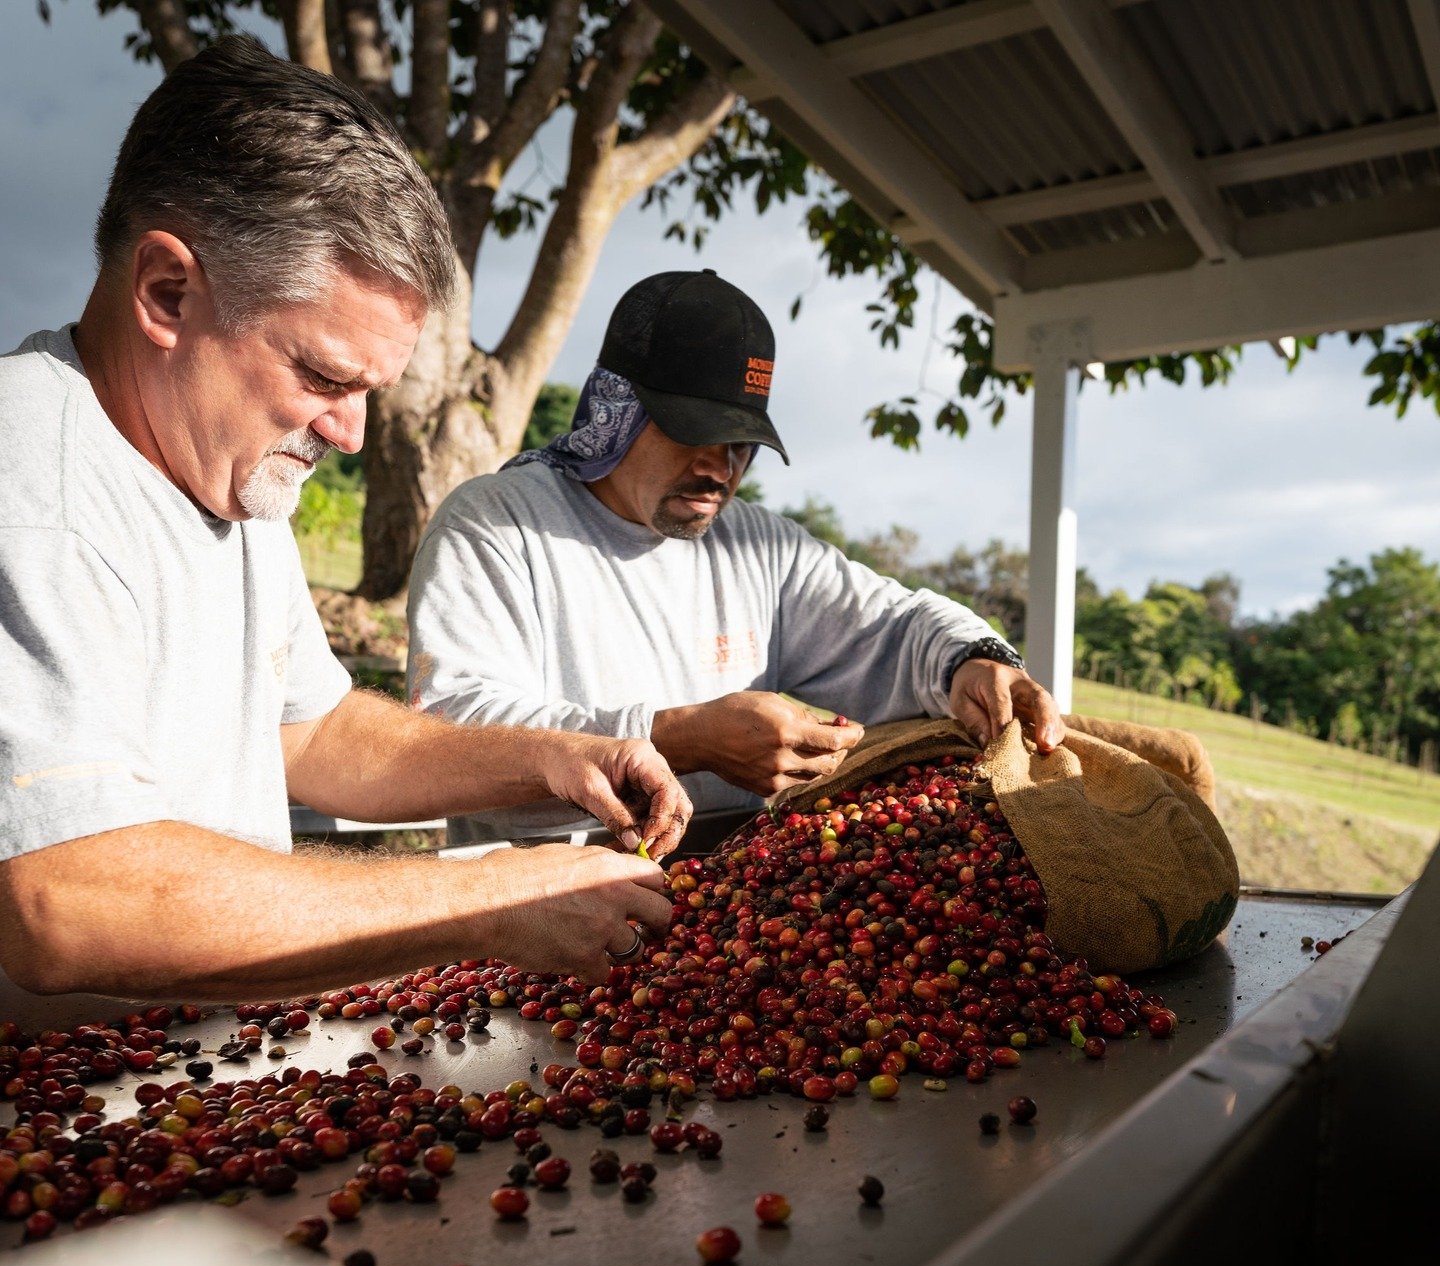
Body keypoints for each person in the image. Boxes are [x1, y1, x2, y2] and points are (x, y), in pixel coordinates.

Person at [0, 39, 691, 1003]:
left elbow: (312, 733)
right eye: (323, 376)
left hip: (203, 1099)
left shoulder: (223, 467)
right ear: (167, 292)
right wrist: (476, 901)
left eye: (371, 390)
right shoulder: (31, 489)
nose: (354, 434)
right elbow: (65, 901)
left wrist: (551, 759)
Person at [407, 269, 1064, 847]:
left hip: (726, 899)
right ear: (618, 408)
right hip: (526, 909)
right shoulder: (498, 525)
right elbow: (451, 733)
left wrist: (970, 662)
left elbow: (889, 628)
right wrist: (680, 739)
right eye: (693, 431)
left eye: (740, 443)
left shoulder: (758, 547)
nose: (717, 467)